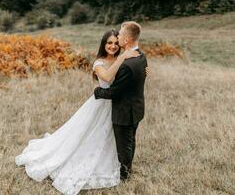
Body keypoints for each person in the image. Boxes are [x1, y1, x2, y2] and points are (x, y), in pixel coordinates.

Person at [15, 29, 139, 195]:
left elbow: (130, 76)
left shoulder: (122, 59)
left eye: (116, 43)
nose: (113, 46)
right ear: (104, 44)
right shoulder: (99, 63)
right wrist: (123, 57)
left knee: (114, 135)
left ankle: (118, 163)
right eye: (109, 43)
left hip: (118, 106)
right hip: (101, 104)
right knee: (90, 135)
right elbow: (108, 78)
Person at [94, 21, 147, 180]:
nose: (117, 39)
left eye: (119, 37)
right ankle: (123, 168)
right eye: (109, 42)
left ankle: (125, 174)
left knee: (125, 144)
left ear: (127, 40)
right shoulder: (140, 56)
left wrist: (97, 91)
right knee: (128, 141)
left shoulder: (126, 63)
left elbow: (114, 91)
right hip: (132, 109)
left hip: (123, 110)